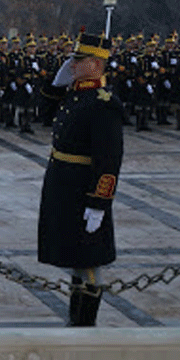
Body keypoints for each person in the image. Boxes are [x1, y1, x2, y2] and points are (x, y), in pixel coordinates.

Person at [37, 32, 123, 327]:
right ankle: (74, 321)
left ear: (96, 64)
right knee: (74, 257)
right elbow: (44, 114)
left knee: (88, 262)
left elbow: (109, 161)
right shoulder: (76, 95)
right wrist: (56, 83)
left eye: (79, 60)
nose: (72, 64)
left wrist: (99, 203)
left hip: (82, 192)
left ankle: (85, 324)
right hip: (63, 189)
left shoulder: (103, 103)